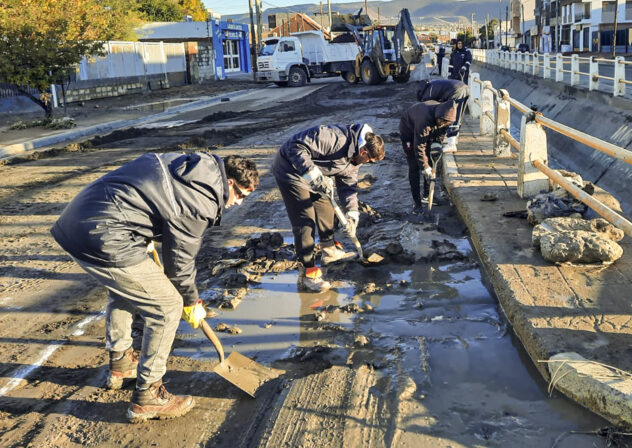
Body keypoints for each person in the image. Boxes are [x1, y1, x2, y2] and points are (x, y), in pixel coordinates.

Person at [51, 152, 259, 423]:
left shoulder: (191, 167)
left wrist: (142, 229)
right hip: (104, 235)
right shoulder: (201, 201)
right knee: (167, 306)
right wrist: (191, 302)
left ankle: (122, 361)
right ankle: (148, 395)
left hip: (80, 220)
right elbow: (180, 265)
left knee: (129, 287)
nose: (238, 203)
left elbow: (150, 194)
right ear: (229, 183)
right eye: (240, 195)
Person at [272, 123, 385, 292]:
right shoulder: (333, 138)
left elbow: (348, 187)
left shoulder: (355, 159)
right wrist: (313, 175)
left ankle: (330, 251)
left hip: (317, 177)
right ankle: (307, 273)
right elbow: (295, 147)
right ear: (364, 152)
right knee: (305, 220)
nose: (367, 163)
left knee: (326, 208)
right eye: (369, 161)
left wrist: (352, 214)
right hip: (291, 171)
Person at [399, 100, 457, 214]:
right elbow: (419, 146)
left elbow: (440, 133)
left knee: (430, 161)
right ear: (438, 116)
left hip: (426, 133)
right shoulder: (424, 120)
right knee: (414, 166)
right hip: (409, 132)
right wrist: (424, 166)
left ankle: (427, 195)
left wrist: (437, 144)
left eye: (446, 123)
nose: (443, 124)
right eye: (442, 121)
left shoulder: (446, 119)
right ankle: (417, 203)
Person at [415, 78, 469, 153]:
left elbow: (431, 112)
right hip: (464, 87)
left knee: (452, 115)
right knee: (459, 115)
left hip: (455, 91)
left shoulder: (426, 95)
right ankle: (454, 139)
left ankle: (451, 144)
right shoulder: (432, 85)